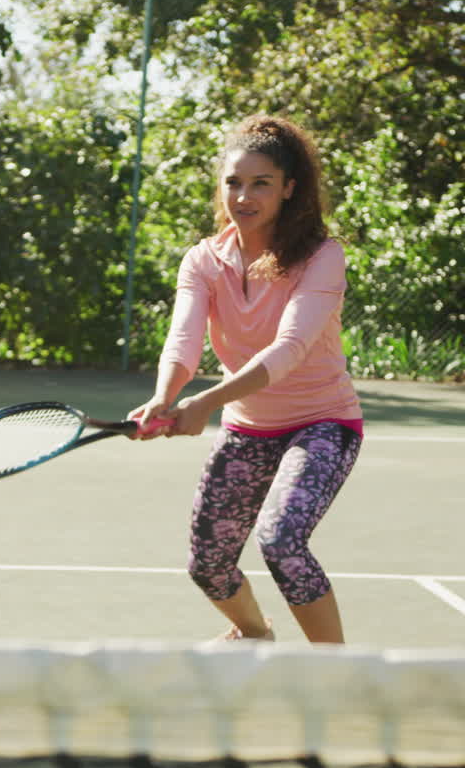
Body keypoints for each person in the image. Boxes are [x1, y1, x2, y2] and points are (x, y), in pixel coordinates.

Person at [130, 114, 362, 645]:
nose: (244, 195)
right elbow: (182, 342)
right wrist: (164, 399)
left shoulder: (322, 257)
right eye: (234, 182)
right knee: (209, 562)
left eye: (261, 183)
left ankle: (334, 670)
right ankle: (255, 634)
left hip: (323, 423)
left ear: (288, 189)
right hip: (250, 427)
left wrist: (204, 403)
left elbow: (288, 350)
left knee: (281, 540)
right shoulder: (203, 261)